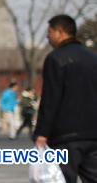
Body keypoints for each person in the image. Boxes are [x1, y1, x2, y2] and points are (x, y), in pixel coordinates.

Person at [34, 14, 97, 182]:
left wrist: (42, 132)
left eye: (50, 32)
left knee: (62, 178)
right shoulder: (92, 58)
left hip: (65, 137)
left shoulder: (55, 59)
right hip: (93, 134)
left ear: (60, 32)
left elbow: (51, 99)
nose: (47, 36)